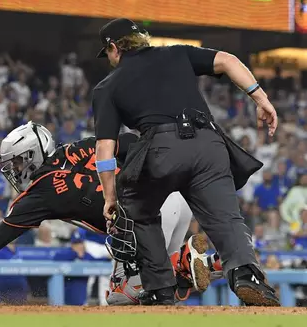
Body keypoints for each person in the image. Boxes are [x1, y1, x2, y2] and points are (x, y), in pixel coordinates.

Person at [0, 121, 222, 304]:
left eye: (16, 163)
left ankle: (181, 262)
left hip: (145, 221)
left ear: (30, 154)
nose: (15, 172)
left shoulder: (42, 189)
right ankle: (193, 263)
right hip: (174, 199)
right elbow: (131, 141)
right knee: (151, 293)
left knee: (120, 297)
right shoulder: (78, 147)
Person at [91, 18, 279, 306]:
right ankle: (246, 275)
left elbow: (105, 148)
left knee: (137, 209)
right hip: (209, 143)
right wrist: (260, 98)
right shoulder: (176, 52)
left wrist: (110, 197)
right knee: (226, 217)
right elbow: (228, 61)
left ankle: (160, 287)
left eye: (109, 54)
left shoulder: (107, 86)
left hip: (161, 149)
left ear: (114, 48)